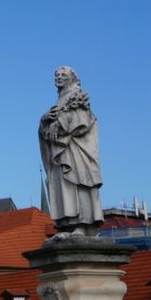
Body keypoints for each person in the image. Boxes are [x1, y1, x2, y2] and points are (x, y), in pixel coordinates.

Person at [39, 66, 104, 236]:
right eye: (57, 75)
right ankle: (67, 225)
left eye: (63, 75)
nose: (58, 77)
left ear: (73, 78)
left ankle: (82, 224)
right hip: (60, 151)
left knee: (79, 183)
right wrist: (44, 121)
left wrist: (59, 124)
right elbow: (46, 131)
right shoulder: (58, 102)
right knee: (64, 187)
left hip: (76, 150)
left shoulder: (78, 96)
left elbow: (82, 122)